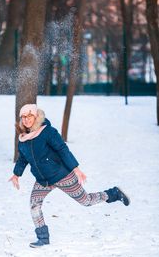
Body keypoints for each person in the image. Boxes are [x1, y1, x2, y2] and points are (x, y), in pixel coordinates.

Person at [9, 104, 130, 248]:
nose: (27, 119)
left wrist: (76, 168)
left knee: (86, 201)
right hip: (44, 180)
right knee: (34, 205)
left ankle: (113, 193)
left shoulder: (47, 132)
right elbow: (23, 158)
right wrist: (16, 174)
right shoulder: (23, 139)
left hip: (61, 175)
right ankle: (43, 238)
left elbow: (62, 149)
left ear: (36, 117)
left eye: (30, 116)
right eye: (24, 117)